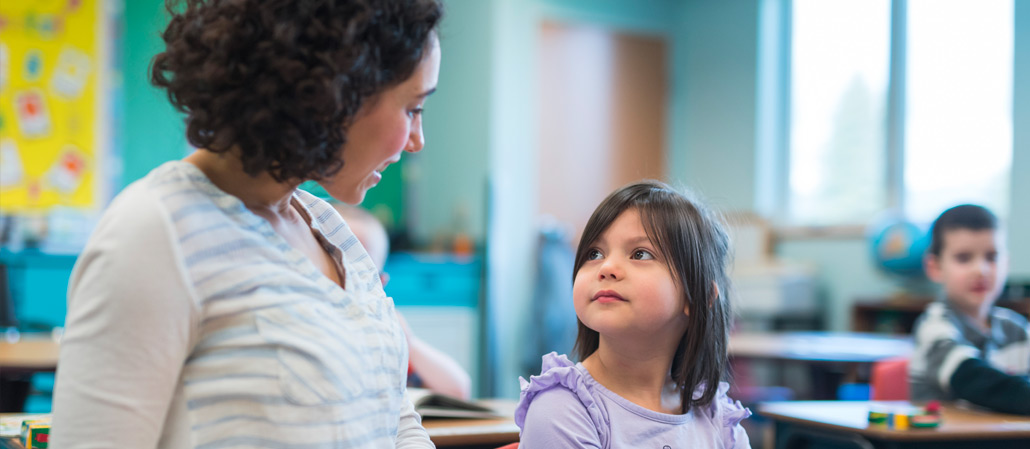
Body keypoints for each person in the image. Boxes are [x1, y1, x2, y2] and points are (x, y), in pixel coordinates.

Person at [50, 0, 444, 446]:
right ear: (336, 91)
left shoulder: (330, 229)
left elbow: (392, 416)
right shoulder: (156, 234)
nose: (417, 141)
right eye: (413, 108)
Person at [515, 180, 751, 448]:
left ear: (697, 296)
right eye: (594, 253)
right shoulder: (563, 410)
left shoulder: (716, 418)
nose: (607, 267)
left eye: (640, 253)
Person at [334, 203, 472, 399]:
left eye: (362, 274)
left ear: (381, 283)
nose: (348, 282)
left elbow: (458, 389)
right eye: (336, 267)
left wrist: (408, 342)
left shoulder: (384, 330)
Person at [909, 204, 1030, 415]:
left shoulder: (1016, 328)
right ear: (935, 268)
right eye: (963, 258)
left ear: (1006, 264)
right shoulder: (934, 325)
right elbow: (970, 378)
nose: (980, 270)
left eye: (991, 257)